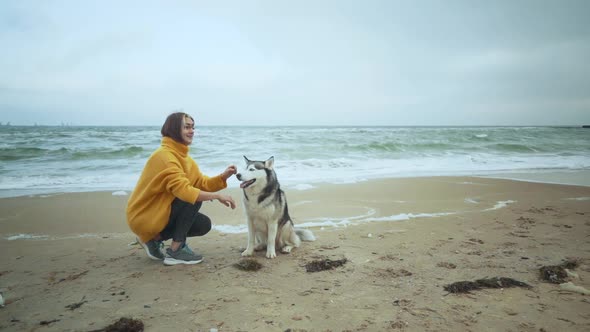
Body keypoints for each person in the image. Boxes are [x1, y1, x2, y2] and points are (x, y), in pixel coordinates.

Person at [126, 112, 237, 265]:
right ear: (173, 129)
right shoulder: (165, 156)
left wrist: (223, 177)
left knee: (203, 224)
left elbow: (201, 182)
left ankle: (154, 239)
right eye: (186, 127)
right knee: (192, 198)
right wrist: (217, 196)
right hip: (146, 215)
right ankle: (176, 251)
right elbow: (184, 191)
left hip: (161, 213)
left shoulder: (184, 157)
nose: (192, 131)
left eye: (192, 127)